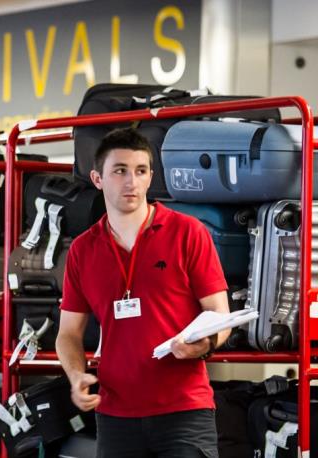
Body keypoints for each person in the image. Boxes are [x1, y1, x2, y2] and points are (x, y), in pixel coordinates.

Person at [56, 127, 230, 457]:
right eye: (120, 171)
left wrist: (205, 344)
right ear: (97, 179)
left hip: (184, 410)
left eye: (140, 171)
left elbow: (220, 316)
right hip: (115, 415)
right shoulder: (82, 250)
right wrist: (76, 376)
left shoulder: (188, 233)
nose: (132, 182)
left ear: (151, 177)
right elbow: (68, 334)